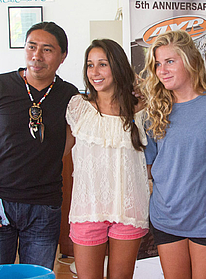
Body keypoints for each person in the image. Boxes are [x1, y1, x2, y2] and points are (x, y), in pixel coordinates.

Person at [0, 21, 79, 270]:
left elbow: (68, 141)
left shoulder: (69, 95)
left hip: (45, 207)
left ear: (63, 56)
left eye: (47, 49)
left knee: (37, 276)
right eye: (31, 46)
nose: (37, 56)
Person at [140, 30, 206, 279]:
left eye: (170, 61)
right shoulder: (154, 111)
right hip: (167, 215)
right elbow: (150, 166)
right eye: (158, 64)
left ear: (192, 61)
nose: (162, 70)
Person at [65, 39, 149, 279]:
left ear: (118, 66)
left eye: (103, 64)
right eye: (90, 65)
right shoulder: (78, 107)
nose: (95, 72)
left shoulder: (142, 107)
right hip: (87, 209)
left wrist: (139, 87)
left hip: (129, 209)